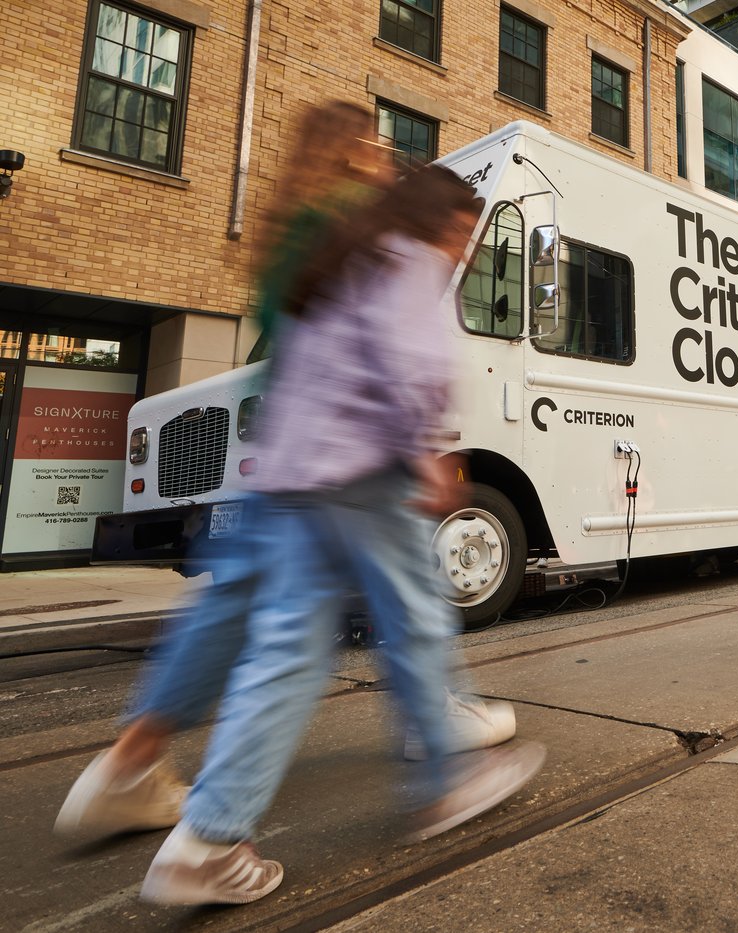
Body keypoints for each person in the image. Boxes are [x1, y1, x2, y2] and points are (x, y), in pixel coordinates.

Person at [53, 105, 513, 852]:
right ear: (345, 154)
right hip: (352, 455)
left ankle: (142, 773)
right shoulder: (366, 231)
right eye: (369, 142)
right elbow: (399, 346)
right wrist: (425, 446)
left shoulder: (298, 229)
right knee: (367, 617)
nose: (379, 155)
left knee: (252, 619)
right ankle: (433, 747)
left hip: (285, 456)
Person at [135, 168, 542, 906]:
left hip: (293, 479)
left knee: (284, 654)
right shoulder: (412, 261)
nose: (462, 250)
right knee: (417, 620)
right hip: (366, 475)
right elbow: (408, 367)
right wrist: (427, 455)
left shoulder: (347, 257)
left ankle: (209, 838)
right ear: (442, 221)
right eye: (462, 232)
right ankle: (451, 778)